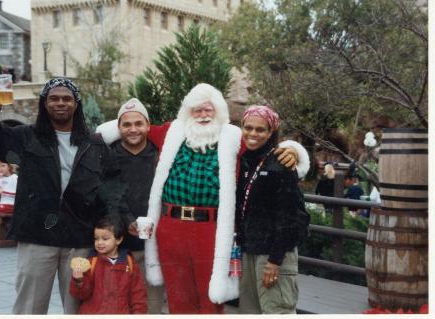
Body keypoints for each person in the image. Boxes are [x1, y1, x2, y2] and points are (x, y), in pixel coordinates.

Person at [96, 83, 310, 313]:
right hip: (171, 228)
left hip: (210, 228)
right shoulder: (172, 132)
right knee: (179, 297)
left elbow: (263, 144)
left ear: (218, 111)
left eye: (208, 109)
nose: (203, 115)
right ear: (188, 112)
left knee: (210, 299)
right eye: (197, 110)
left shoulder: (233, 137)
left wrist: (293, 150)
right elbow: (132, 127)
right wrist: (88, 135)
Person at [0, 76, 108, 314]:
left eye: (67, 98)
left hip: (79, 238)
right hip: (37, 235)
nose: (60, 103)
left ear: (76, 104)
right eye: (54, 98)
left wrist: (109, 225)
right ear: (44, 103)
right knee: (30, 307)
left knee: (79, 307)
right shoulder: (26, 137)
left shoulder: (95, 143)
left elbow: (110, 186)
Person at [235, 105, 309, 314]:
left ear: (271, 133)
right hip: (249, 250)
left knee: (277, 311)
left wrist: (275, 260)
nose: (252, 134)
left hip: (274, 255)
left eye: (260, 130)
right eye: (248, 127)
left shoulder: (281, 163)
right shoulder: (245, 161)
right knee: (249, 312)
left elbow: (293, 217)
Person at [96, 98, 164, 313]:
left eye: (138, 123)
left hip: (153, 245)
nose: (133, 129)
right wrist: (128, 221)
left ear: (148, 125)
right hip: (118, 244)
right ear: (119, 127)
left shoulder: (160, 154)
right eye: (127, 124)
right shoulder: (108, 155)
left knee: (150, 301)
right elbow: (110, 194)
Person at [70, 214, 147, 314]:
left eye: (105, 239)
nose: (99, 243)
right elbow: (82, 295)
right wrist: (79, 282)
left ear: (118, 240)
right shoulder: (91, 262)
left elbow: (138, 294)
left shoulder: (129, 263)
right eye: (96, 238)